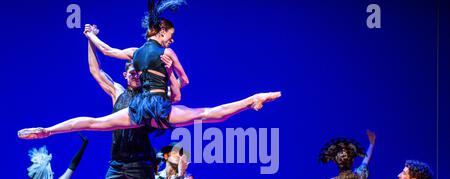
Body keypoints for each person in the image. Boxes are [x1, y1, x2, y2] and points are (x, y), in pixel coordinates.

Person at [17, 0, 281, 139]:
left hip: (141, 109)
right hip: (159, 107)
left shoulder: (136, 52)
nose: (172, 40)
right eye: (170, 35)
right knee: (210, 114)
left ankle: (49, 130)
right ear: (162, 31)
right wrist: (173, 71)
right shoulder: (167, 52)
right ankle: (251, 99)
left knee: (95, 123)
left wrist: (90, 36)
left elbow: (107, 51)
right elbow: (185, 83)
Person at [76, 29, 172, 179]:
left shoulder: (147, 97)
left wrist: (169, 71)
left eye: (137, 73)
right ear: (125, 74)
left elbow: (170, 95)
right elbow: (95, 71)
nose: (135, 76)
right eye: (131, 72)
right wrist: (90, 39)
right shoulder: (117, 92)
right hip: (117, 165)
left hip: (141, 163)